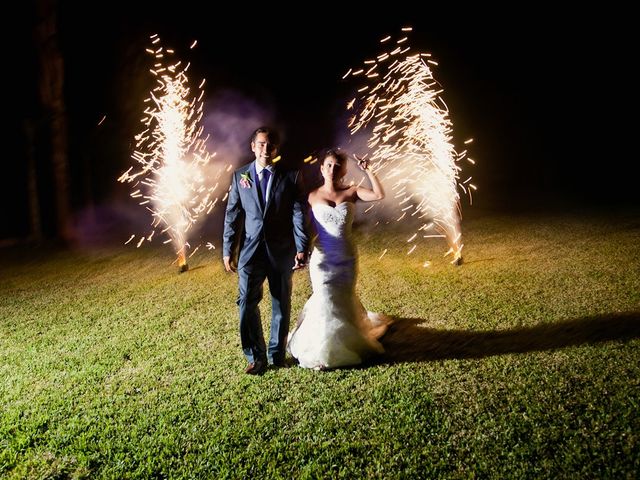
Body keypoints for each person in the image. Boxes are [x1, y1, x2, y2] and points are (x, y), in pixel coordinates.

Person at [287, 149, 391, 370]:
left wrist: (369, 170)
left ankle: (348, 342)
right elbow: (303, 228)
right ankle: (322, 350)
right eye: (329, 165)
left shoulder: (352, 191)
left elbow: (379, 194)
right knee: (325, 296)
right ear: (322, 168)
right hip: (323, 257)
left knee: (343, 298)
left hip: (347, 256)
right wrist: (300, 251)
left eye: (337, 166)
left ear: (343, 170)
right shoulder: (312, 196)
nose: (332, 169)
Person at [223, 127, 309, 375]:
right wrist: (228, 248)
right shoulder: (241, 176)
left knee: (281, 304)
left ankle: (276, 354)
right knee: (246, 304)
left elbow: (298, 214)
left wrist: (301, 246)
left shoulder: (291, 176)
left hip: (281, 251)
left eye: (270, 145)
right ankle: (255, 356)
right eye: (261, 144)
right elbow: (232, 214)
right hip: (250, 251)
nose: (265, 149)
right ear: (253, 146)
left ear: (276, 149)